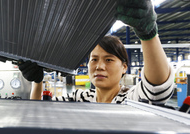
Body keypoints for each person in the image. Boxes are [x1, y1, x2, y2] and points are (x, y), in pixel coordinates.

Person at [18, 0, 174, 104]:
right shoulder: (79, 98)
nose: (99, 66)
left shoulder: (130, 98)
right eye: (94, 59)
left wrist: (148, 34)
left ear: (124, 67)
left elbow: (156, 89)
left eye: (109, 60)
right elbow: (39, 114)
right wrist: (37, 82)